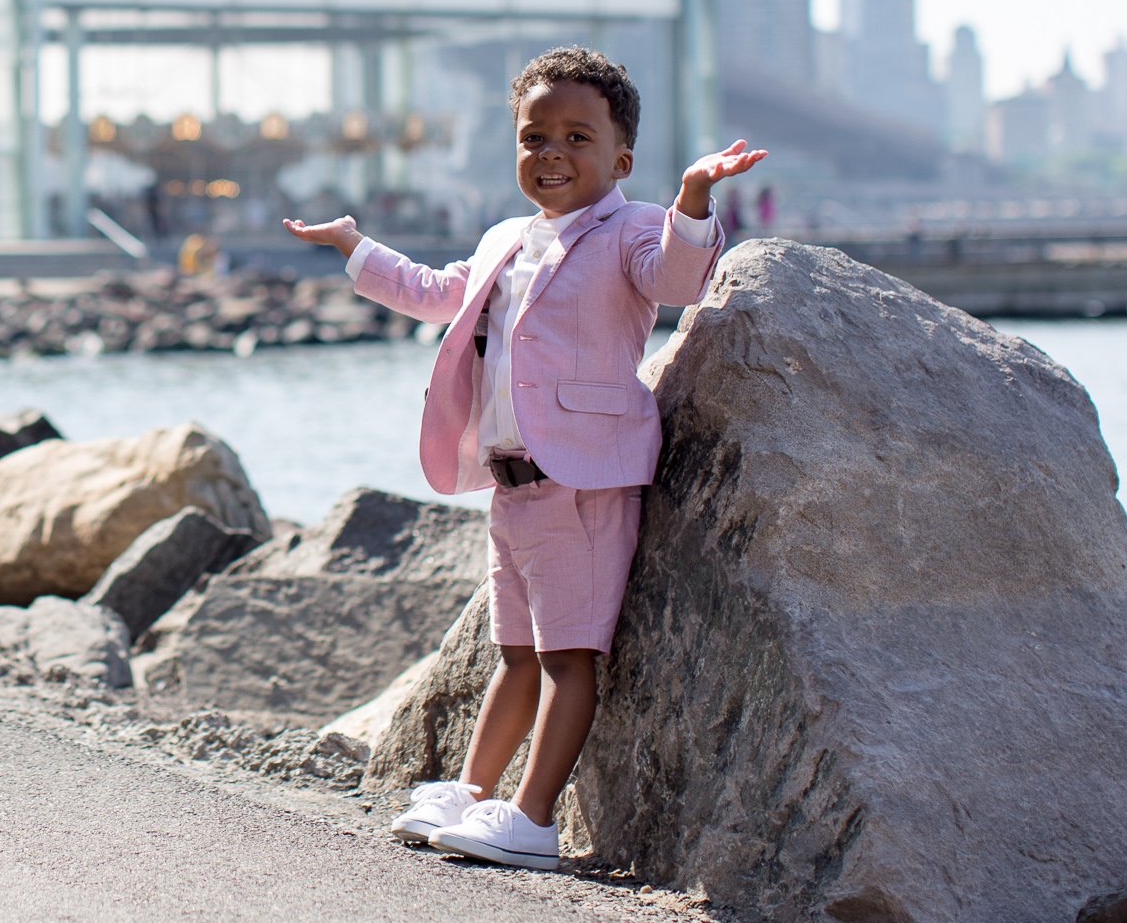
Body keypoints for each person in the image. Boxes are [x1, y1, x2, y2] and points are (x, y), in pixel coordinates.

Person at [282, 46, 765, 872]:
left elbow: (680, 281)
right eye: (534, 137)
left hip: (582, 481)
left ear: (621, 159)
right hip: (509, 482)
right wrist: (356, 248)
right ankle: (472, 793)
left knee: (569, 657)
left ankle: (533, 816)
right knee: (513, 655)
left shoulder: (631, 231)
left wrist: (691, 202)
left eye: (578, 139)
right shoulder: (508, 238)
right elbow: (438, 293)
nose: (552, 155)